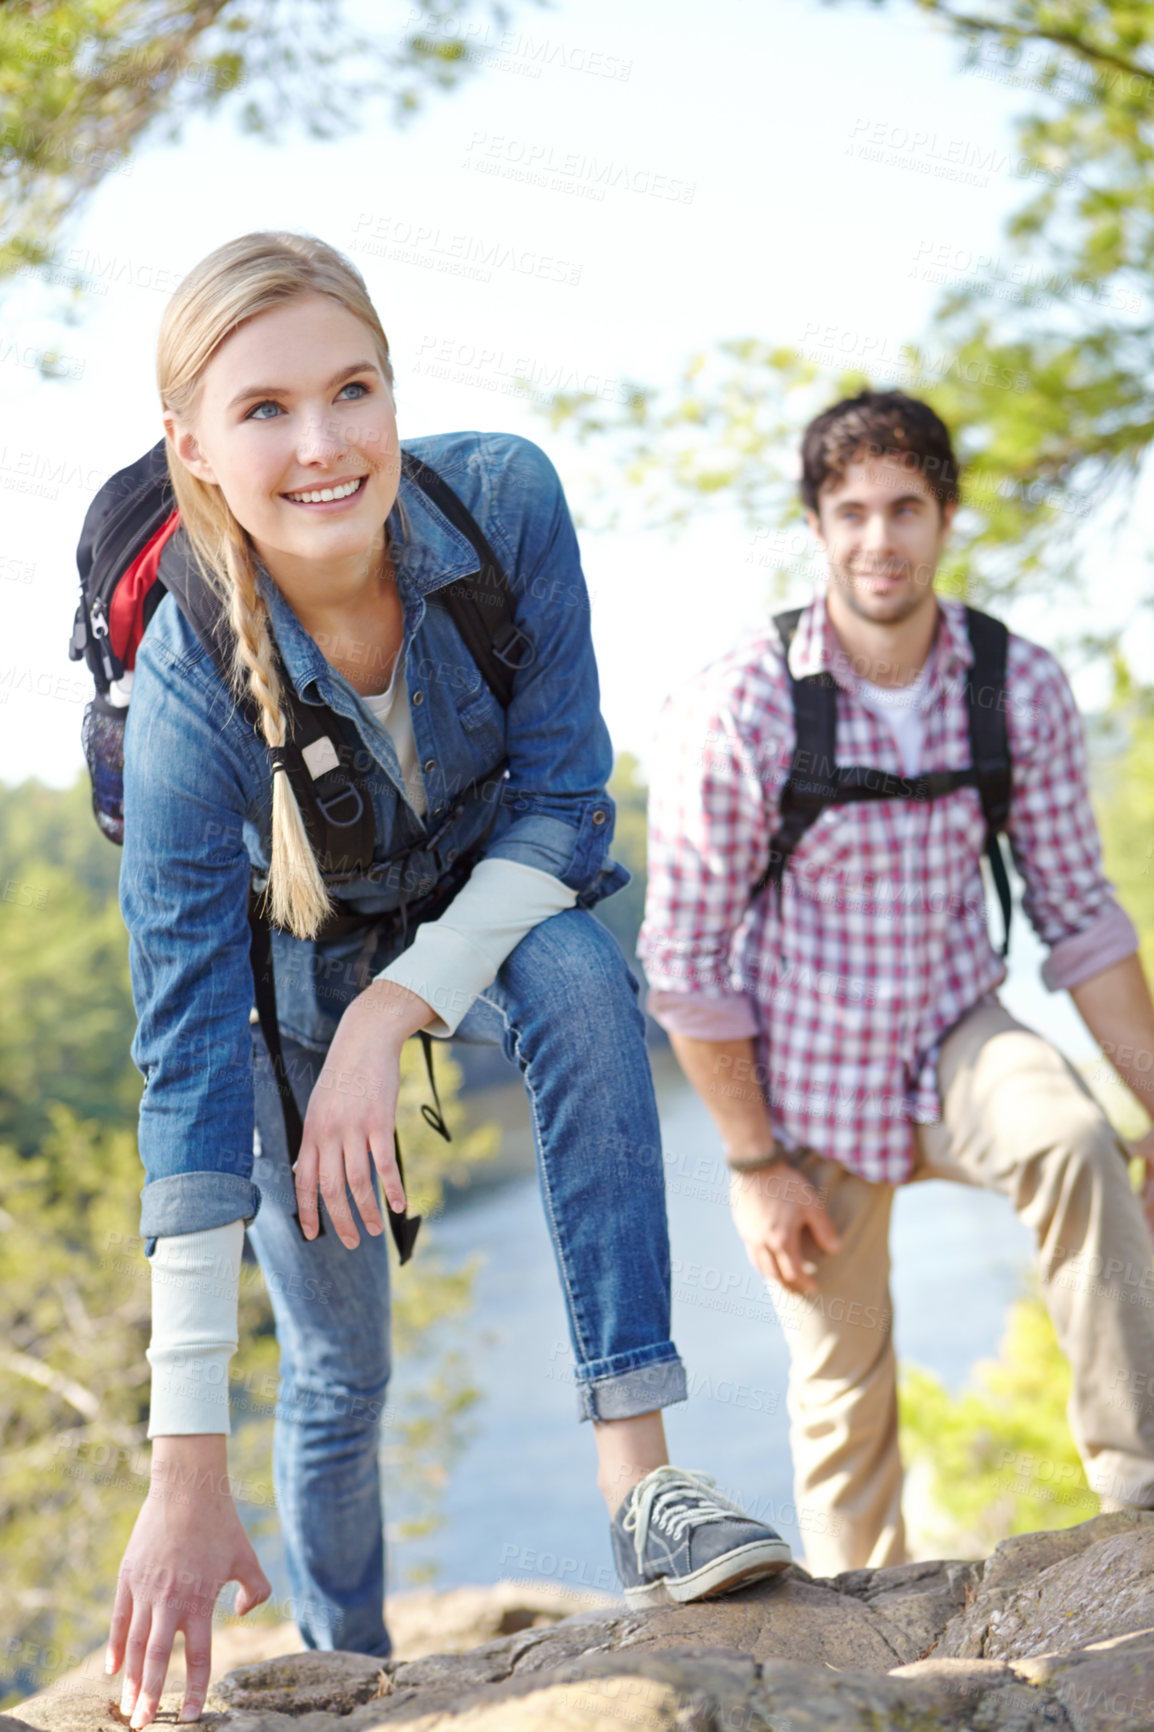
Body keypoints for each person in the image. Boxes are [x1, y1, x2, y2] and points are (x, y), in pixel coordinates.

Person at [102, 231, 792, 1731]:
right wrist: (181, 1466)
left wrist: (398, 1006)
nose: (324, 443)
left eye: (353, 389)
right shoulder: (185, 683)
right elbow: (189, 1064)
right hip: (280, 1004)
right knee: (339, 1376)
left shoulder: (502, 506)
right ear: (193, 449)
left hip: (482, 911)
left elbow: (564, 807)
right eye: (266, 410)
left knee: (578, 974)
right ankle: (352, 1664)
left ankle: (643, 1487)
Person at [641, 388, 1154, 1576]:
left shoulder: (1011, 686)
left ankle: (1135, 1496)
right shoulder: (741, 705)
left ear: (945, 517)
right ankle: (862, 1639)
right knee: (840, 1399)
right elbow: (685, 962)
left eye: (905, 509)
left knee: (1073, 1140)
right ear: (818, 526)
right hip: (799, 1075)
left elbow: (1078, 920)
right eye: (852, 511)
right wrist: (755, 1166)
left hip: (956, 1032)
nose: (880, 539)